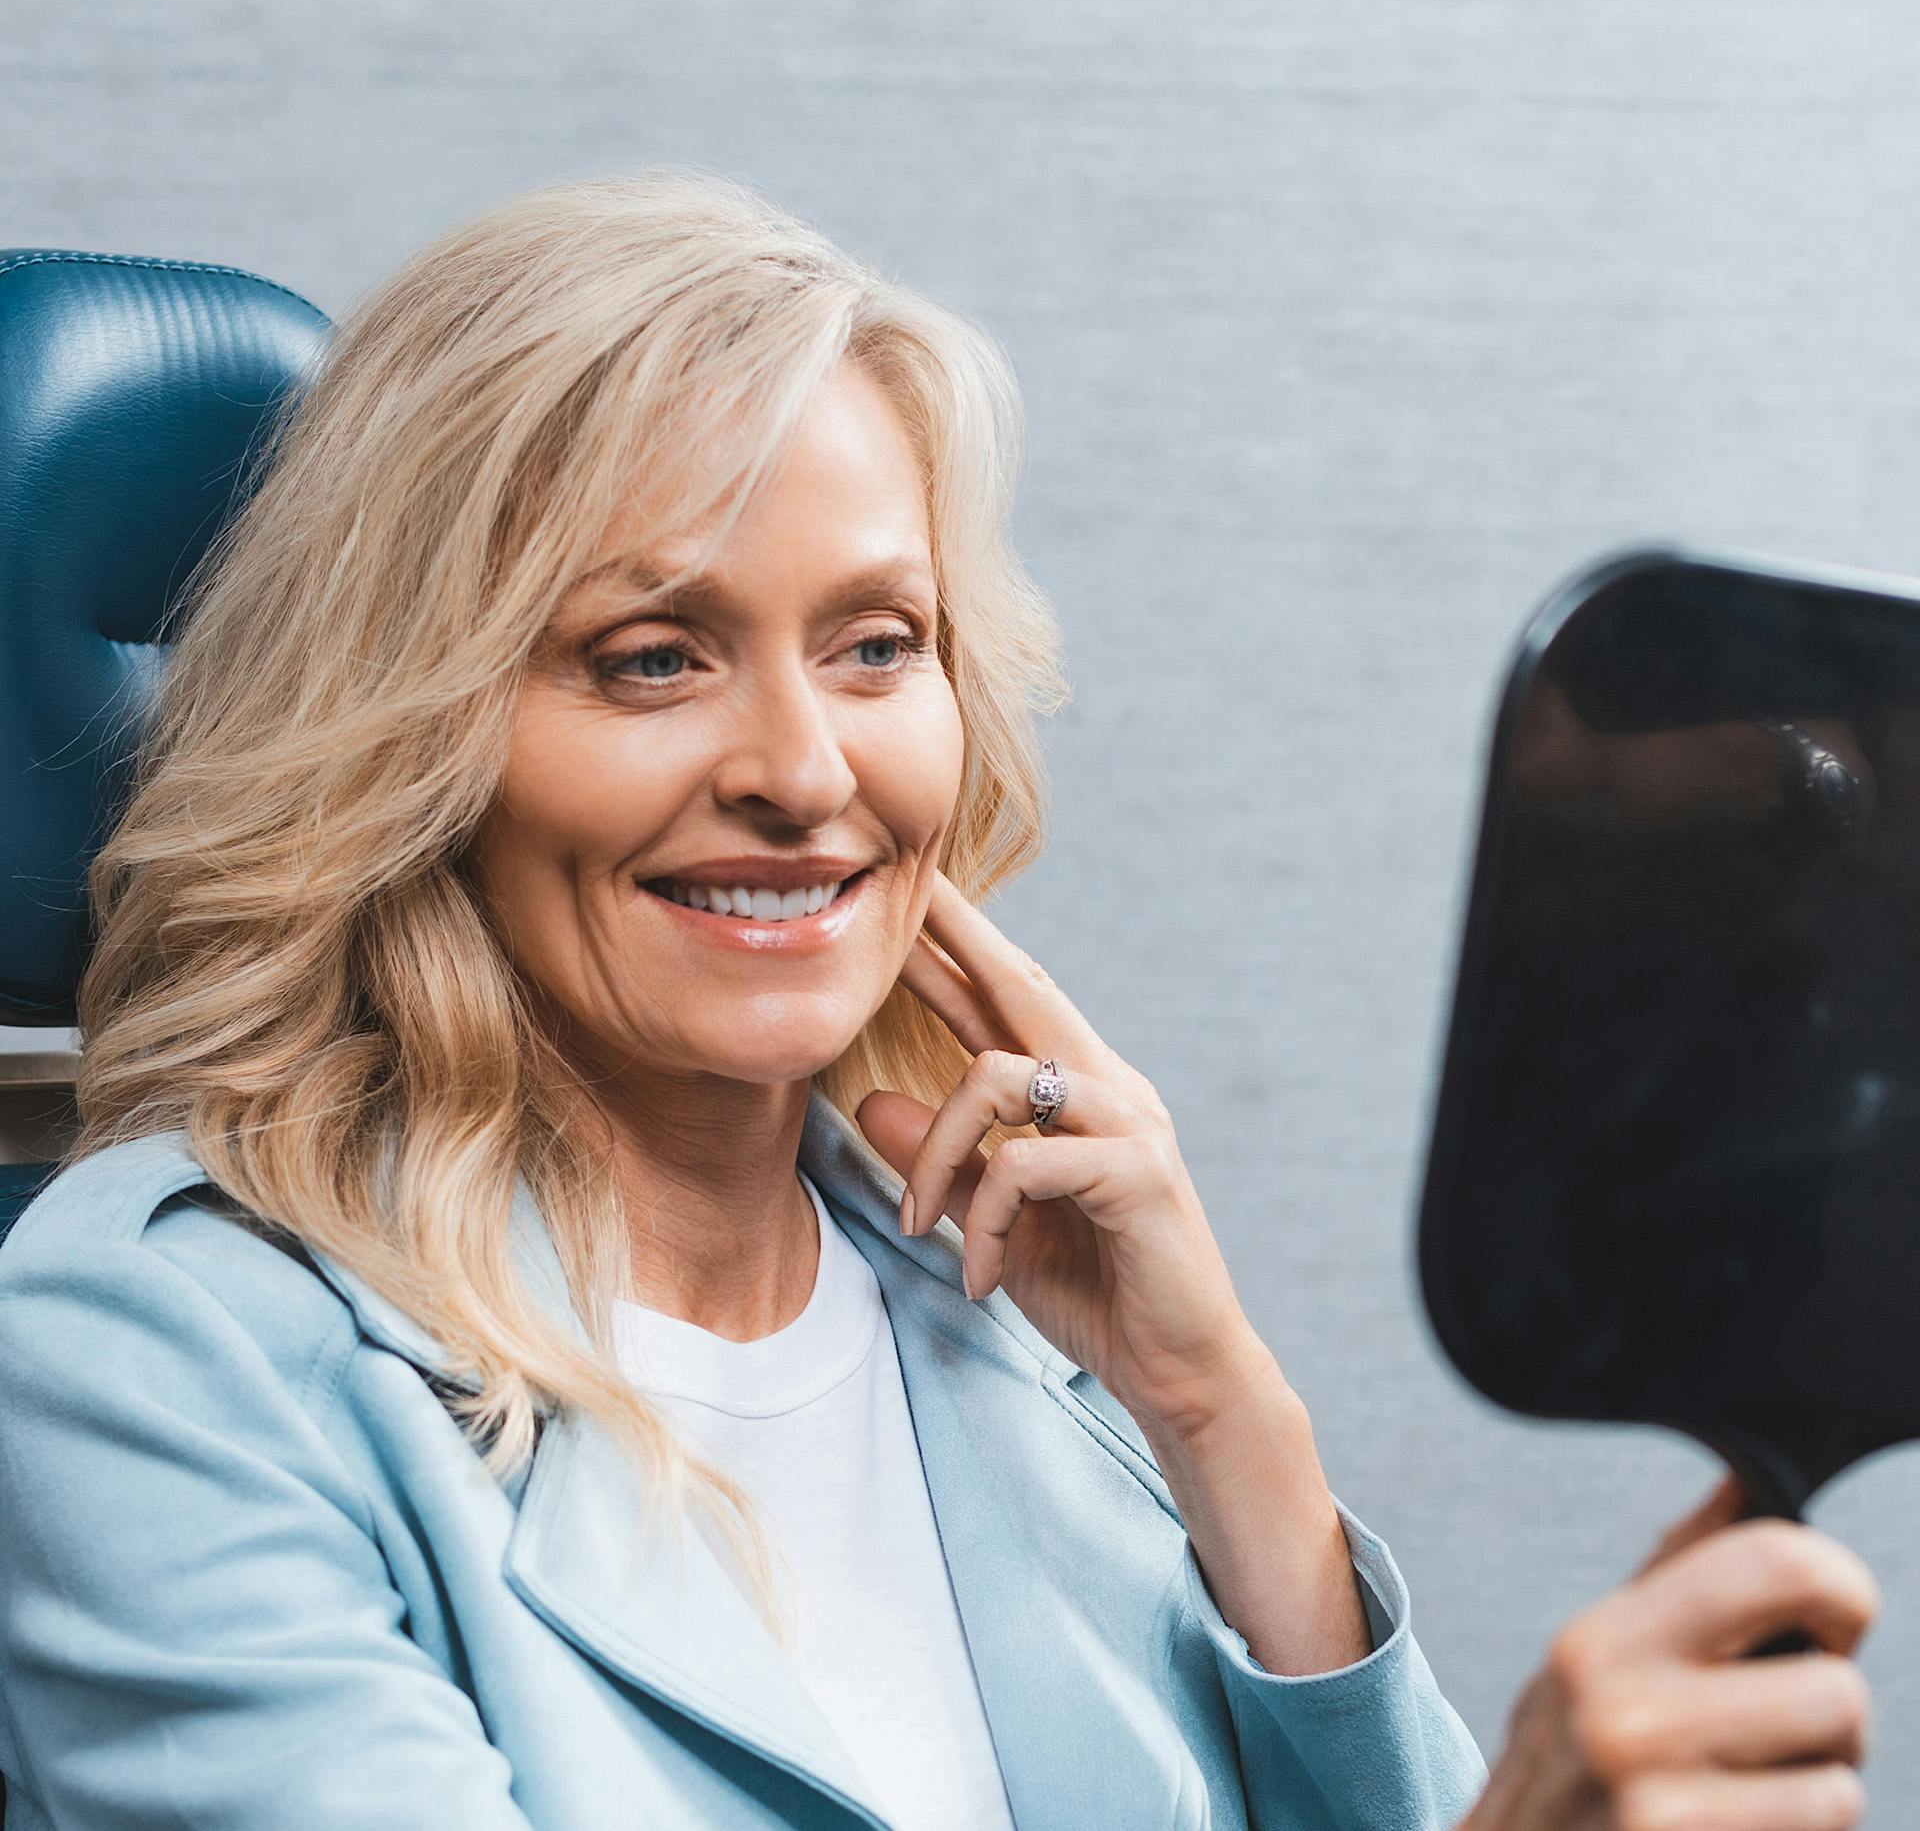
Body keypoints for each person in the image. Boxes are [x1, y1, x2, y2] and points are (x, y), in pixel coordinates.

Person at [0, 172, 1874, 1830]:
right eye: (651, 659)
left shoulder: (993, 1316)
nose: (807, 770)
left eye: (875, 644)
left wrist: (1227, 1415)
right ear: (418, 737)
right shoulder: (149, 1358)